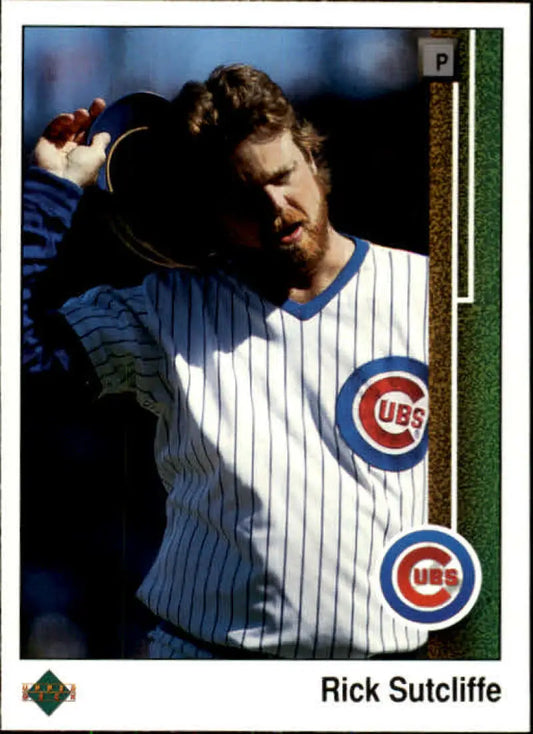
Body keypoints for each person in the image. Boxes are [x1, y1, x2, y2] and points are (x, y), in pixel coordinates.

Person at [23, 64, 429, 659]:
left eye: (284, 176)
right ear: (212, 210)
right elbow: (25, 354)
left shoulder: (434, 297)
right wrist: (52, 190)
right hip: (205, 666)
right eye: (245, 195)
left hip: (385, 681)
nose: (277, 207)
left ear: (312, 159)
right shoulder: (166, 309)